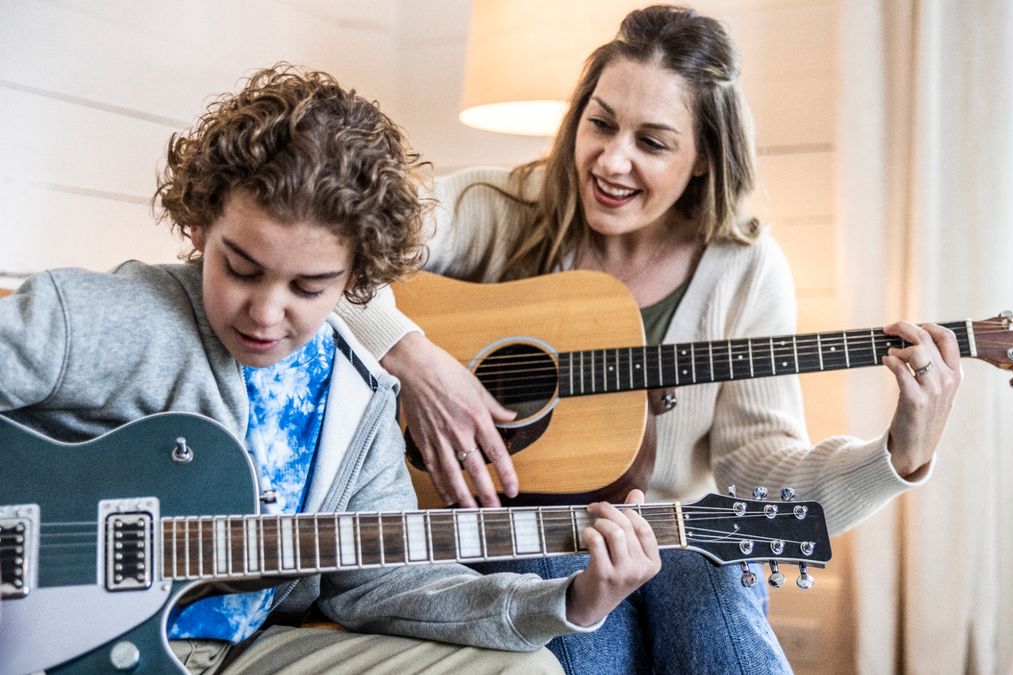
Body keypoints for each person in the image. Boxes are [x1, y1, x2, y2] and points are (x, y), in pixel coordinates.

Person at [336, 5, 961, 673]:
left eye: (653, 142)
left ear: (702, 160)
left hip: (672, 536)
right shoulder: (499, 205)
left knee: (715, 590)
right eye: (599, 123)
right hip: (516, 521)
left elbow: (759, 473)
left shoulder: (744, 268)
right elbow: (336, 250)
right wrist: (417, 359)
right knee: (585, 632)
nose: (612, 159)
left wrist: (894, 455)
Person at [0, 64, 662, 675]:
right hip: (53, 649)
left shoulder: (359, 397)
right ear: (200, 224)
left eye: (309, 287)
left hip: (242, 654)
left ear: (357, 276)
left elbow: (387, 586)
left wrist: (572, 597)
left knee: (528, 670)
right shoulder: (106, 317)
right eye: (241, 267)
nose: (266, 311)